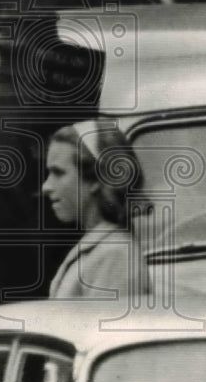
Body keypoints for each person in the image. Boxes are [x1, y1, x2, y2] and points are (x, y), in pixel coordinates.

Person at [43, 120, 151, 299]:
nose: (46, 187)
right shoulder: (100, 249)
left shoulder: (115, 255)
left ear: (95, 180)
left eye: (58, 173)